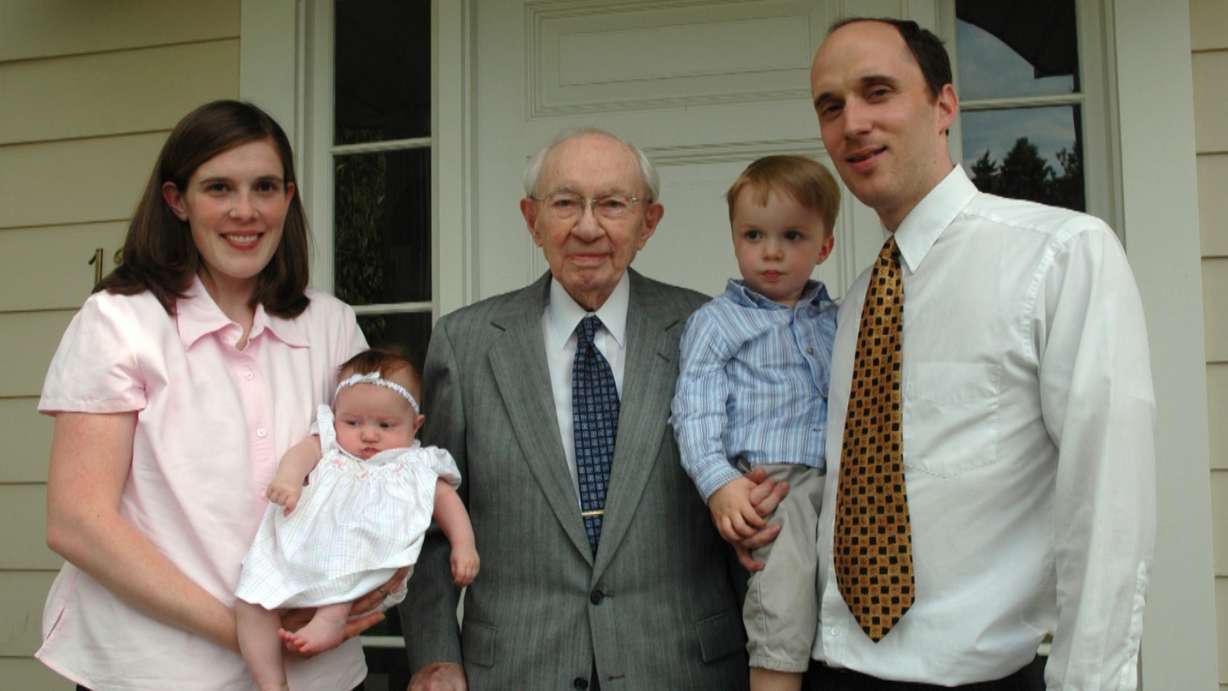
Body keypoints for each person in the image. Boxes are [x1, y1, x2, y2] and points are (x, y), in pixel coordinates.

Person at [806, 17, 1156, 690]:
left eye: (877, 91)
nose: (852, 122)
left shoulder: (1059, 255)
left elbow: (1109, 506)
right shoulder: (854, 305)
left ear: (944, 105)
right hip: (837, 669)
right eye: (831, 105)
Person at [400, 128, 787, 690]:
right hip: (516, 671)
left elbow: (755, 499)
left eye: (611, 204)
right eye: (565, 203)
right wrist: (435, 657)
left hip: (686, 669)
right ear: (531, 219)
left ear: (648, 223)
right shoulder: (466, 344)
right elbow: (429, 523)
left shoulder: (710, 331)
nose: (587, 226)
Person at [38, 100, 398, 690]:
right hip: (155, 671)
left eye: (264, 187)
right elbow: (79, 522)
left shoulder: (331, 325)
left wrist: (369, 585)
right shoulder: (118, 322)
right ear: (177, 201)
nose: (245, 211)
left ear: (288, 197)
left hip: (318, 673)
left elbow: (374, 478)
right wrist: (248, 634)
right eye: (219, 188)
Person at [672, 155, 840, 691]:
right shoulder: (717, 323)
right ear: (734, 239)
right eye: (753, 235)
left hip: (840, 481)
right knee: (783, 598)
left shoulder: (839, 318)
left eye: (792, 235)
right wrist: (719, 483)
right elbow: (694, 410)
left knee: (847, 596)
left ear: (825, 246)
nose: (771, 252)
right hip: (771, 485)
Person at [234, 349, 479, 691]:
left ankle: (332, 617)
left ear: (415, 424)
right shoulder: (332, 446)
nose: (368, 435)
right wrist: (289, 480)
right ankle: (272, 684)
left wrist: (464, 545)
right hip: (303, 547)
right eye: (353, 422)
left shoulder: (414, 463)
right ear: (335, 418)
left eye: (385, 425)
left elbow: (446, 500)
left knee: (347, 571)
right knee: (251, 599)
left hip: (363, 554)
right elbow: (302, 454)